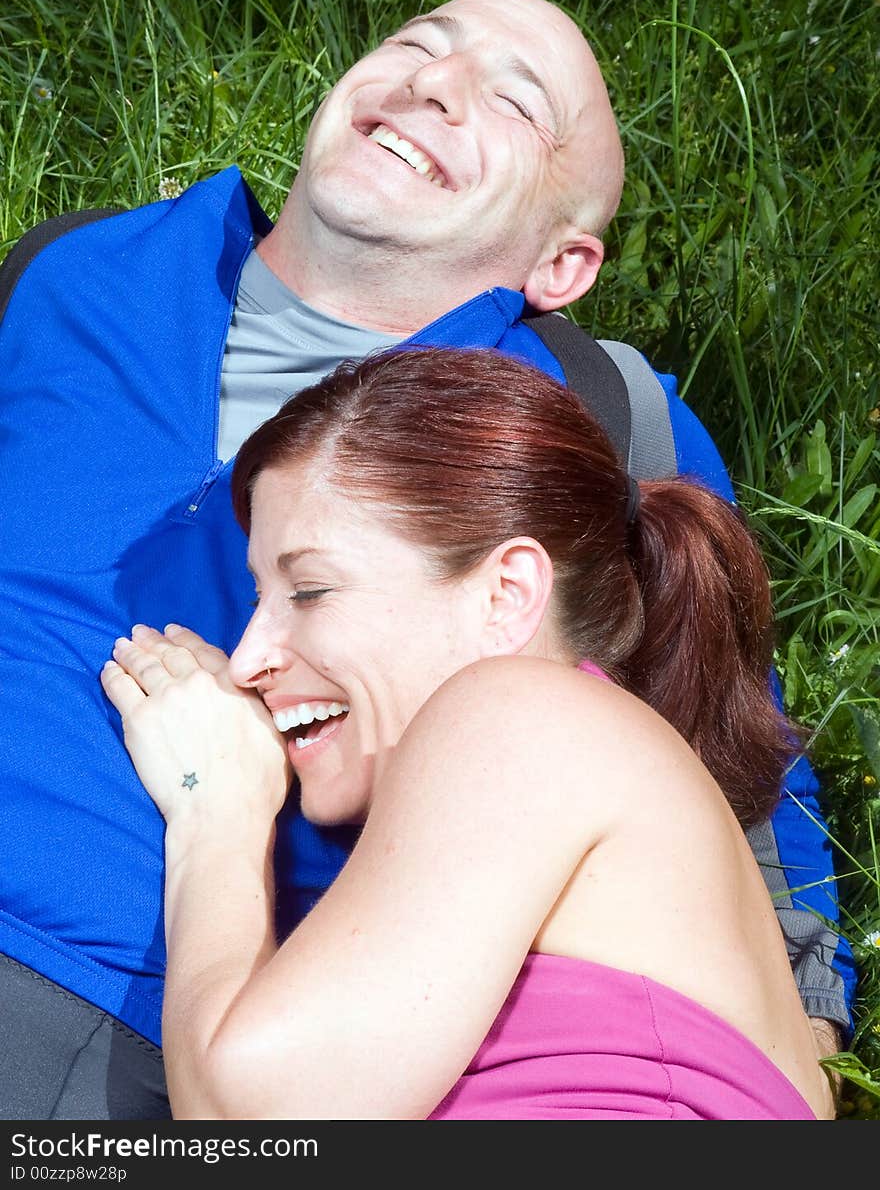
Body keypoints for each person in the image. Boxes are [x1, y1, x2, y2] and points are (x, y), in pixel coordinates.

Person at [0, 0, 851, 1119]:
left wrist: (799, 1025)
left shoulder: (596, 416)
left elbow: (728, 747)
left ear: (563, 264)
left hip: (143, 1018)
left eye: (513, 100)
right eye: (413, 45)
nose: (434, 83)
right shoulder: (75, 268)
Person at [101, 346, 836, 1120]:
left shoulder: (524, 715)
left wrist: (216, 810)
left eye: (309, 590)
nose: (249, 659)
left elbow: (252, 1119)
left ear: (506, 595)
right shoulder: (623, 798)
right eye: (259, 595)